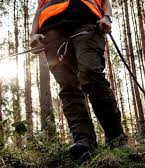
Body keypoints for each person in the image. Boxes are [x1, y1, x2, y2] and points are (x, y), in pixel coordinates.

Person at [30, 0, 127, 159]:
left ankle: (116, 137)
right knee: (68, 86)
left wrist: (107, 17)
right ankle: (84, 141)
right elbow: (39, 10)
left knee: (91, 74)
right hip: (52, 32)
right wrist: (33, 34)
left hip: (88, 25)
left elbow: (104, 2)